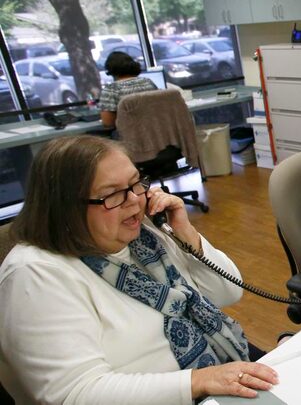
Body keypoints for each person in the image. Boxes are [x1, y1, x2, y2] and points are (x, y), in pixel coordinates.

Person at [0, 136, 277, 404]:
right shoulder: (35, 275)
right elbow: (74, 395)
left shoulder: (143, 234)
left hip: (218, 362)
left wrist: (185, 232)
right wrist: (197, 381)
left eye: (136, 183)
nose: (135, 200)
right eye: (112, 194)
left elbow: (228, 292)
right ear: (64, 209)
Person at [98, 51, 158, 128]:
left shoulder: (111, 89)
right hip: (155, 132)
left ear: (111, 70)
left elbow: (108, 123)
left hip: (128, 136)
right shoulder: (148, 82)